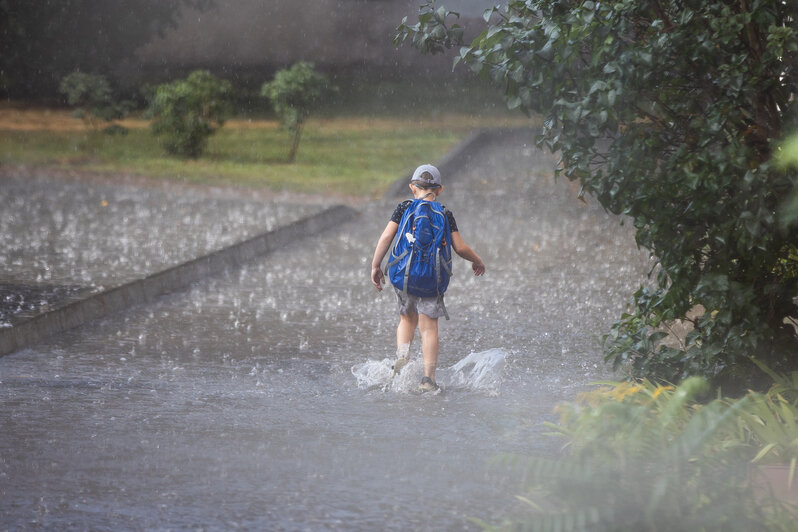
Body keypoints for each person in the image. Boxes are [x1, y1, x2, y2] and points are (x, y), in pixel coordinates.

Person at [370, 164, 486, 392]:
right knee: (429, 327)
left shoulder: (404, 208)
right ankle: (428, 379)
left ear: (413, 188)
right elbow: (460, 248)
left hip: (404, 276)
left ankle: (402, 358)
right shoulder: (445, 214)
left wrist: (376, 265)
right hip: (432, 280)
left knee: (406, 319)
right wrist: (477, 261)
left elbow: (386, 237)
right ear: (440, 190)